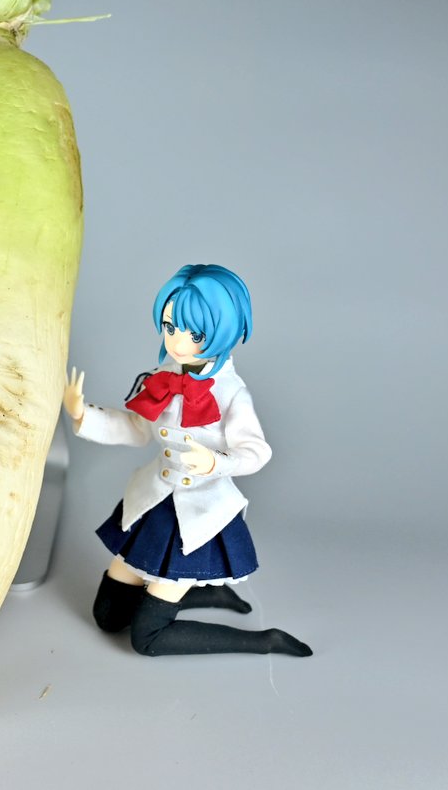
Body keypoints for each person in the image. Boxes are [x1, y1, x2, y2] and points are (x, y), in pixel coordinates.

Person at [63, 264, 310, 656]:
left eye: (194, 334)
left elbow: (257, 451)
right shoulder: (163, 374)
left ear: (222, 331)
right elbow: (137, 429)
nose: (177, 342)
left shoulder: (231, 392)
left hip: (199, 513)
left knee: (146, 639)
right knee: (108, 616)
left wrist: (215, 463)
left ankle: (265, 640)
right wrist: (83, 415)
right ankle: (208, 594)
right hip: (155, 500)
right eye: (170, 326)